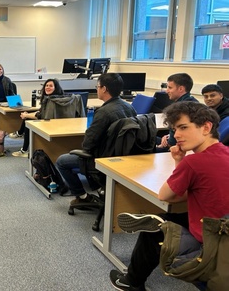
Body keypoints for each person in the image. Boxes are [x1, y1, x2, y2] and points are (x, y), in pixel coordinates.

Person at [109, 101, 229, 291]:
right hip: (222, 231)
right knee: (166, 219)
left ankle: (132, 283)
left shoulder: (195, 163)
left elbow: (166, 195)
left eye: (183, 127)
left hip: (211, 246)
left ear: (206, 127)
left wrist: (180, 161)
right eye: (174, 129)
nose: (177, 135)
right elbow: (192, 193)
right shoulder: (225, 153)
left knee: (156, 229)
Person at [55, 73, 137, 202]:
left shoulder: (103, 112)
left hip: (103, 159)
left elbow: (88, 144)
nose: (96, 89)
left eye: (97, 86)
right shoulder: (130, 107)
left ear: (104, 89)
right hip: (124, 156)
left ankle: (82, 196)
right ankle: (100, 188)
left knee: (61, 161)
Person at [9, 78, 65, 157]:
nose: (48, 87)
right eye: (46, 85)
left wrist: (26, 115)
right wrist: (27, 114)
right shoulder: (54, 98)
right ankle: (20, 134)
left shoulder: (52, 101)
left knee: (28, 122)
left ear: (56, 88)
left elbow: (42, 116)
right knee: (28, 116)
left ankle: (24, 148)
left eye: (51, 86)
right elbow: (41, 111)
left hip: (51, 124)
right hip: (54, 122)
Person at [156, 73, 199, 152]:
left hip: (176, 149)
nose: (167, 91)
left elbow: (173, 143)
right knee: (148, 138)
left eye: (170, 87)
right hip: (175, 142)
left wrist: (160, 146)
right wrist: (168, 136)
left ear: (181, 89)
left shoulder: (182, 109)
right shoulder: (192, 102)